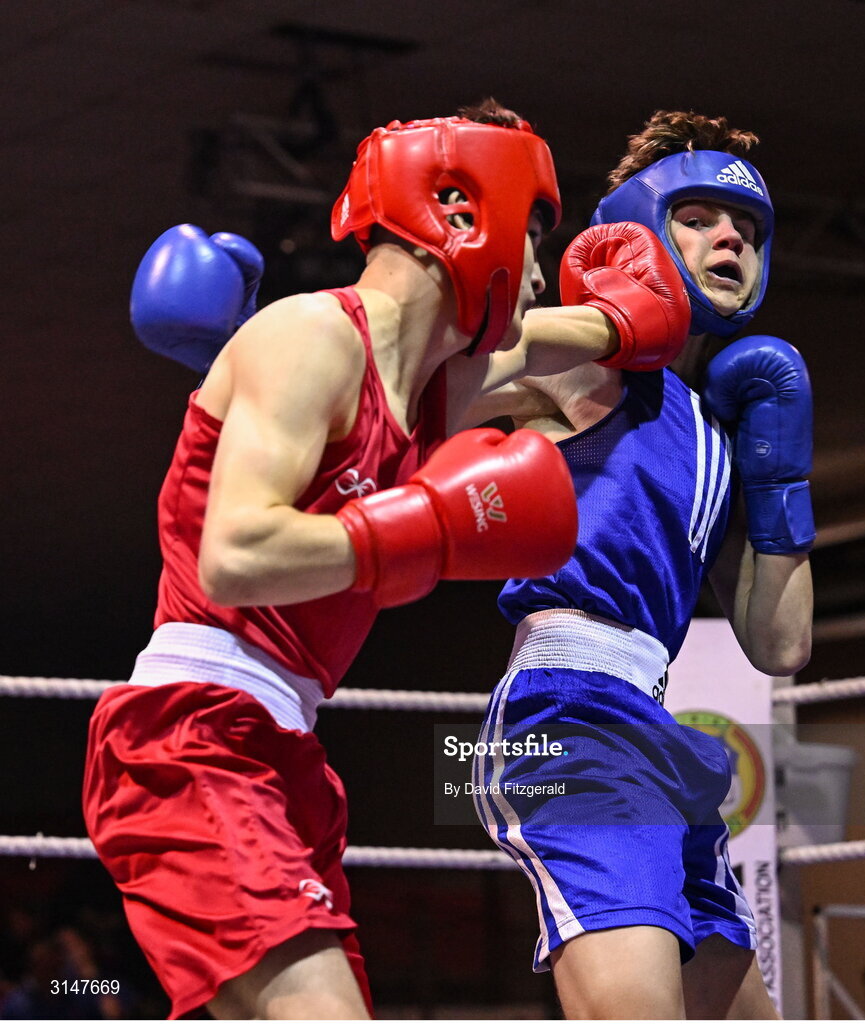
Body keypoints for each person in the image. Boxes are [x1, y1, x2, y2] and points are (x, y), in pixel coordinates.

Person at [83, 100, 689, 1020]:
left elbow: (556, 345)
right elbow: (236, 553)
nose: (534, 271)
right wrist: (422, 529)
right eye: (529, 238)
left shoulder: (428, 387)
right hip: (193, 734)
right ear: (457, 213)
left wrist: (628, 320)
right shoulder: (309, 337)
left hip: (286, 748)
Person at [471, 110, 815, 1019]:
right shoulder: (588, 374)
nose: (731, 236)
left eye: (746, 226)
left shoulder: (715, 430)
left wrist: (780, 478)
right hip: (568, 717)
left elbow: (781, 646)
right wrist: (598, 320)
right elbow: (451, 362)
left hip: (657, 735)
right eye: (699, 216)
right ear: (640, 227)